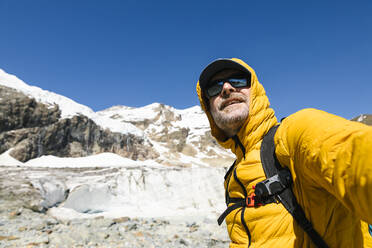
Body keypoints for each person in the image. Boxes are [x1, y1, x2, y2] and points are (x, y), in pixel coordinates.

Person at [196, 58, 372, 248]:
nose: (227, 89)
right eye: (214, 88)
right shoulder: (232, 179)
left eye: (238, 80)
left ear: (255, 90)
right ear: (208, 108)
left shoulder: (295, 134)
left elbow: (356, 156)